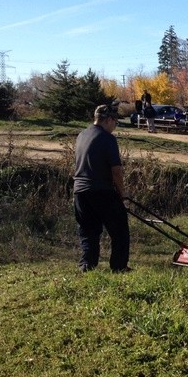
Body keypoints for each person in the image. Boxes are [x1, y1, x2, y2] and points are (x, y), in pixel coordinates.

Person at [73, 103, 131, 273]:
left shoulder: (82, 135)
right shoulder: (107, 138)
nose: (115, 126)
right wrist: (122, 193)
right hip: (101, 190)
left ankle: (87, 265)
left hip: (80, 192)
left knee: (88, 231)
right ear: (109, 120)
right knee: (119, 229)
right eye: (116, 122)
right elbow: (116, 171)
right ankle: (119, 267)